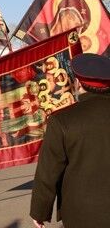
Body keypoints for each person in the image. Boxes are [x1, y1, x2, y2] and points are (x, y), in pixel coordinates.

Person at [30, 53, 110, 228]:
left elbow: (48, 171)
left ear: (78, 83)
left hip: (81, 213)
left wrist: (39, 211)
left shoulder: (62, 120)